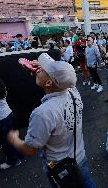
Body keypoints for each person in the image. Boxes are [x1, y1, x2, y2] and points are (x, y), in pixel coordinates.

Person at [7, 53, 95, 188]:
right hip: (79, 157)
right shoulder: (73, 91)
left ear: (48, 83)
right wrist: (42, 70)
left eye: (44, 70)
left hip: (60, 166)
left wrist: (14, 140)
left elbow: (30, 150)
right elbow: (62, 74)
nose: (40, 69)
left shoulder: (42, 113)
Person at [0, 73, 22, 170]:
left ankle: (13, 161)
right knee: (11, 137)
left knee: (6, 142)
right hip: (8, 113)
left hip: (0, 119)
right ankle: (19, 155)